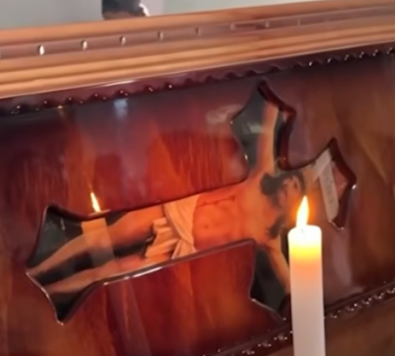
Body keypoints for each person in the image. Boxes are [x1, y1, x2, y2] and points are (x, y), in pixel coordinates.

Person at [28, 97, 304, 299]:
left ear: (293, 208)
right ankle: (39, 269)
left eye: (295, 188)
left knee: (109, 274)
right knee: (105, 236)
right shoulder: (260, 179)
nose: (289, 183)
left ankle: (48, 292)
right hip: (179, 212)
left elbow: (293, 284)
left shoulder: (269, 239)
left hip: (185, 250)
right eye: (291, 179)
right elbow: (270, 120)